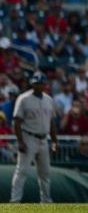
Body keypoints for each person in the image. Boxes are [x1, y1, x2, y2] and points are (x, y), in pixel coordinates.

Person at [10, 71, 57, 203]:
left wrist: (54, 141)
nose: (39, 85)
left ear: (45, 84)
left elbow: (52, 122)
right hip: (28, 137)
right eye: (37, 83)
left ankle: (46, 201)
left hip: (43, 139)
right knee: (22, 171)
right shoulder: (23, 98)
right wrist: (20, 141)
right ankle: (15, 201)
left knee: (45, 173)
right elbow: (17, 121)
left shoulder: (49, 99)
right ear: (32, 84)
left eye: (41, 83)